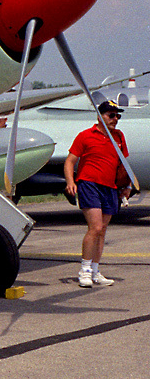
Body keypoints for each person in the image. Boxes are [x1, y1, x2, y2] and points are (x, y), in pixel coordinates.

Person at [64, 100, 131, 288]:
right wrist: (71, 182)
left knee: (102, 231)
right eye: (111, 115)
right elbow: (70, 161)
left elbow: (123, 164)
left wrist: (126, 185)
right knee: (95, 228)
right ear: (99, 116)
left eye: (118, 115)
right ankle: (84, 271)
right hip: (89, 184)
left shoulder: (119, 136)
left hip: (109, 186)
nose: (115, 119)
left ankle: (95, 270)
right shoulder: (85, 136)